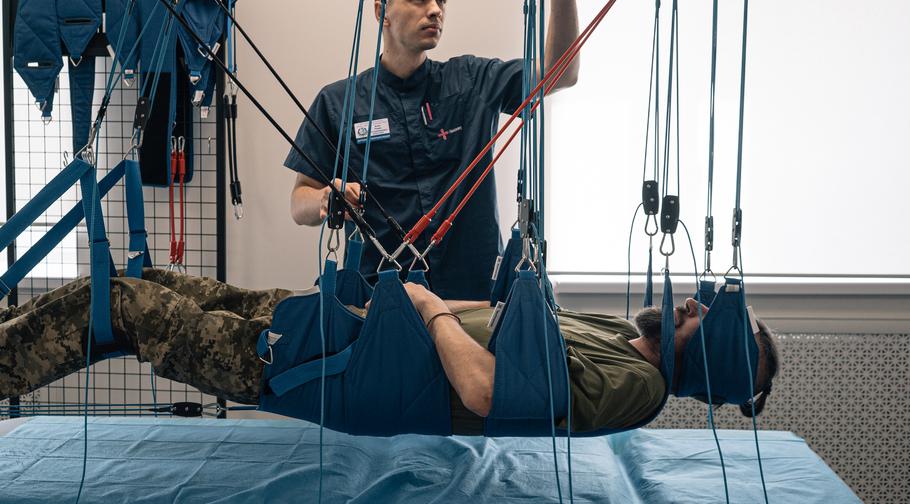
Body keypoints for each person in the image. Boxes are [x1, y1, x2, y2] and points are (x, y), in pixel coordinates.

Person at [0, 269, 779, 433]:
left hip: (345, 373)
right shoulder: (621, 335)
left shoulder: (634, 391)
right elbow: (497, 315)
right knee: (151, 280)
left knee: (126, 308)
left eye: (701, 317)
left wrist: (429, 309)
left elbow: (486, 395)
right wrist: (400, 303)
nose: (689, 302)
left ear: (700, 354)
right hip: (359, 327)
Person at [287, 0, 581, 300]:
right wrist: (326, 199)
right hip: (377, 295)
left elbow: (560, 72)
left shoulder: (473, 80)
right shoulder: (338, 101)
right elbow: (300, 203)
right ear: (383, 14)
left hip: (470, 297)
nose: (435, 9)